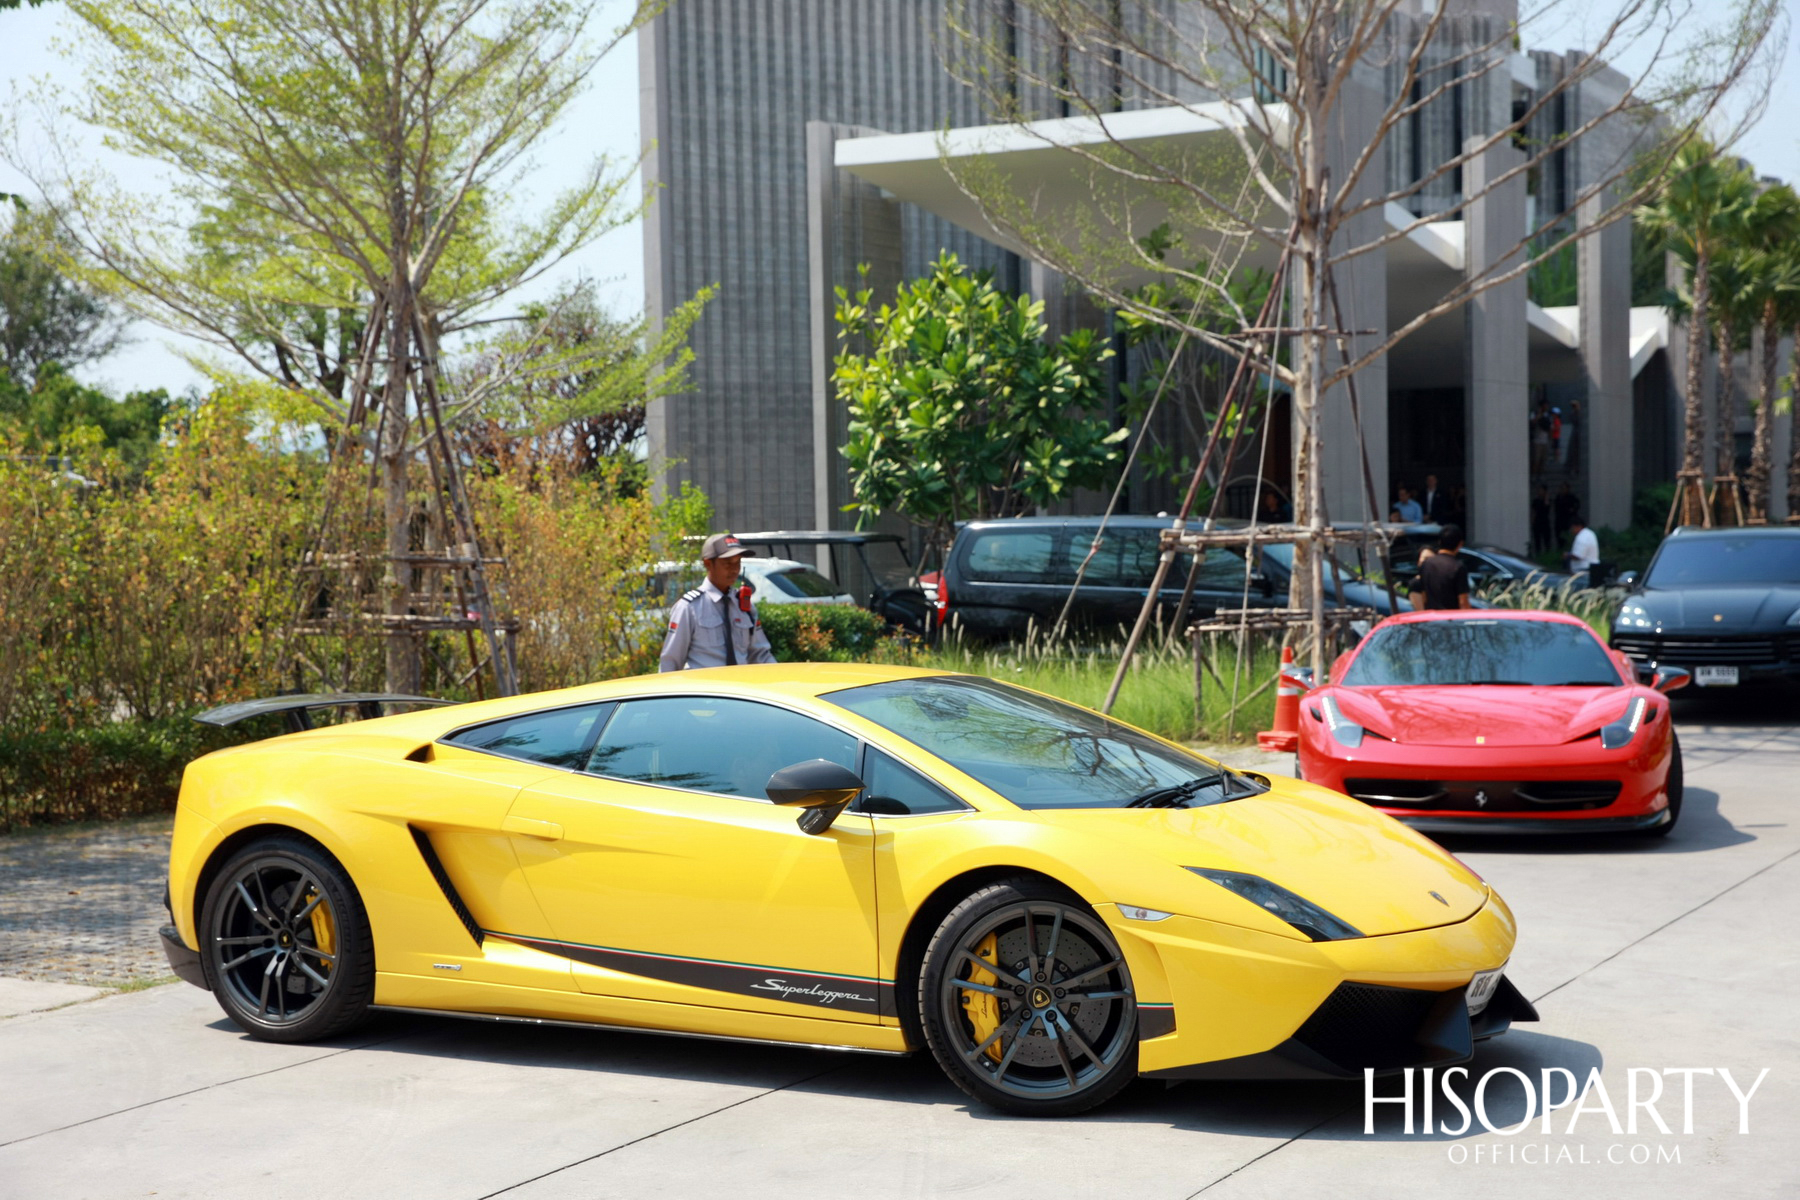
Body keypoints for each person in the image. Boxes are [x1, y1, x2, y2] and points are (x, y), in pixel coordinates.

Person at [658, 533, 777, 671]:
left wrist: (781, 678)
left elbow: (760, 655)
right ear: (708, 563)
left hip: (738, 690)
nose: (734, 570)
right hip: (704, 690)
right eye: (727, 563)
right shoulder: (689, 608)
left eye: (737, 563)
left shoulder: (745, 606)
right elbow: (670, 662)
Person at [1411, 524, 1473, 611]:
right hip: (1451, 619)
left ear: (1439, 542)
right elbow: (1463, 602)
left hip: (1431, 618)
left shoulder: (1426, 564)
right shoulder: (1458, 567)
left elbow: (1424, 596)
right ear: (1460, 544)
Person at [1530, 484, 1553, 556]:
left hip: (1545, 522)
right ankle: (1538, 554)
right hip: (1537, 522)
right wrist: (1532, 521)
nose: (1539, 492)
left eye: (1541, 490)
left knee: (1547, 541)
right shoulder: (1536, 501)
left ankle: (1547, 555)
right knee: (1537, 541)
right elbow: (1533, 512)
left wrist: (1546, 496)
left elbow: (1547, 507)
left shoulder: (1546, 500)